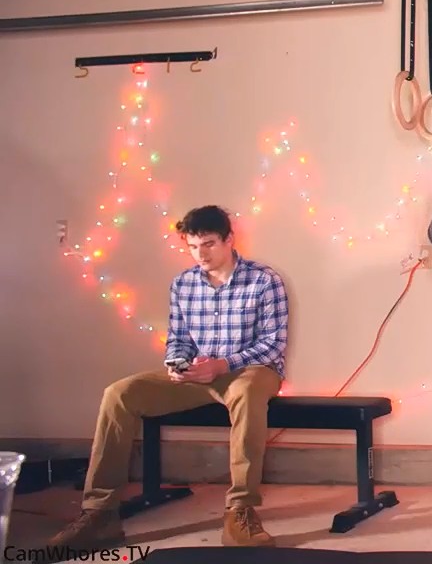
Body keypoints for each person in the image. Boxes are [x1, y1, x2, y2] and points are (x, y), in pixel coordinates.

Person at [48, 205, 289, 550]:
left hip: (249, 372)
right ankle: (99, 513)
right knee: (119, 393)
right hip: (198, 375)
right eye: (193, 247)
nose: (201, 254)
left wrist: (222, 365)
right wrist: (178, 364)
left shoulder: (265, 280)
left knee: (247, 390)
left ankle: (240, 511)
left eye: (208, 244)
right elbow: (178, 340)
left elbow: (272, 344)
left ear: (229, 240)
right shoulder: (183, 284)